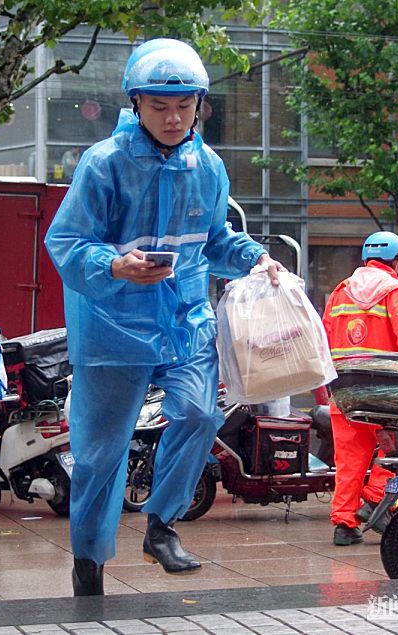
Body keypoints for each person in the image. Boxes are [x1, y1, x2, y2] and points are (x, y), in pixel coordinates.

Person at [44, 38, 284, 596]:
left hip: (185, 320)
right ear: (135, 104)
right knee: (101, 454)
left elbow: (216, 239)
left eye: (184, 105)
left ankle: (161, 526)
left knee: (200, 414)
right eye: (159, 106)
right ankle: (89, 561)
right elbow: (67, 241)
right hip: (111, 326)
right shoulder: (104, 163)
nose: (174, 118)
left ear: (199, 104)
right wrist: (115, 266)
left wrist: (255, 257)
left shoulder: (209, 166)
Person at [322, 231, 398, 546]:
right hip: (386, 394)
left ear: (366, 259)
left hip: (344, 392)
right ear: (397, 261)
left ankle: (344, 525)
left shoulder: (340, 292)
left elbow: (324, 338)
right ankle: (375, 501)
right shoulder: (394, 291)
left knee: (349, 460)